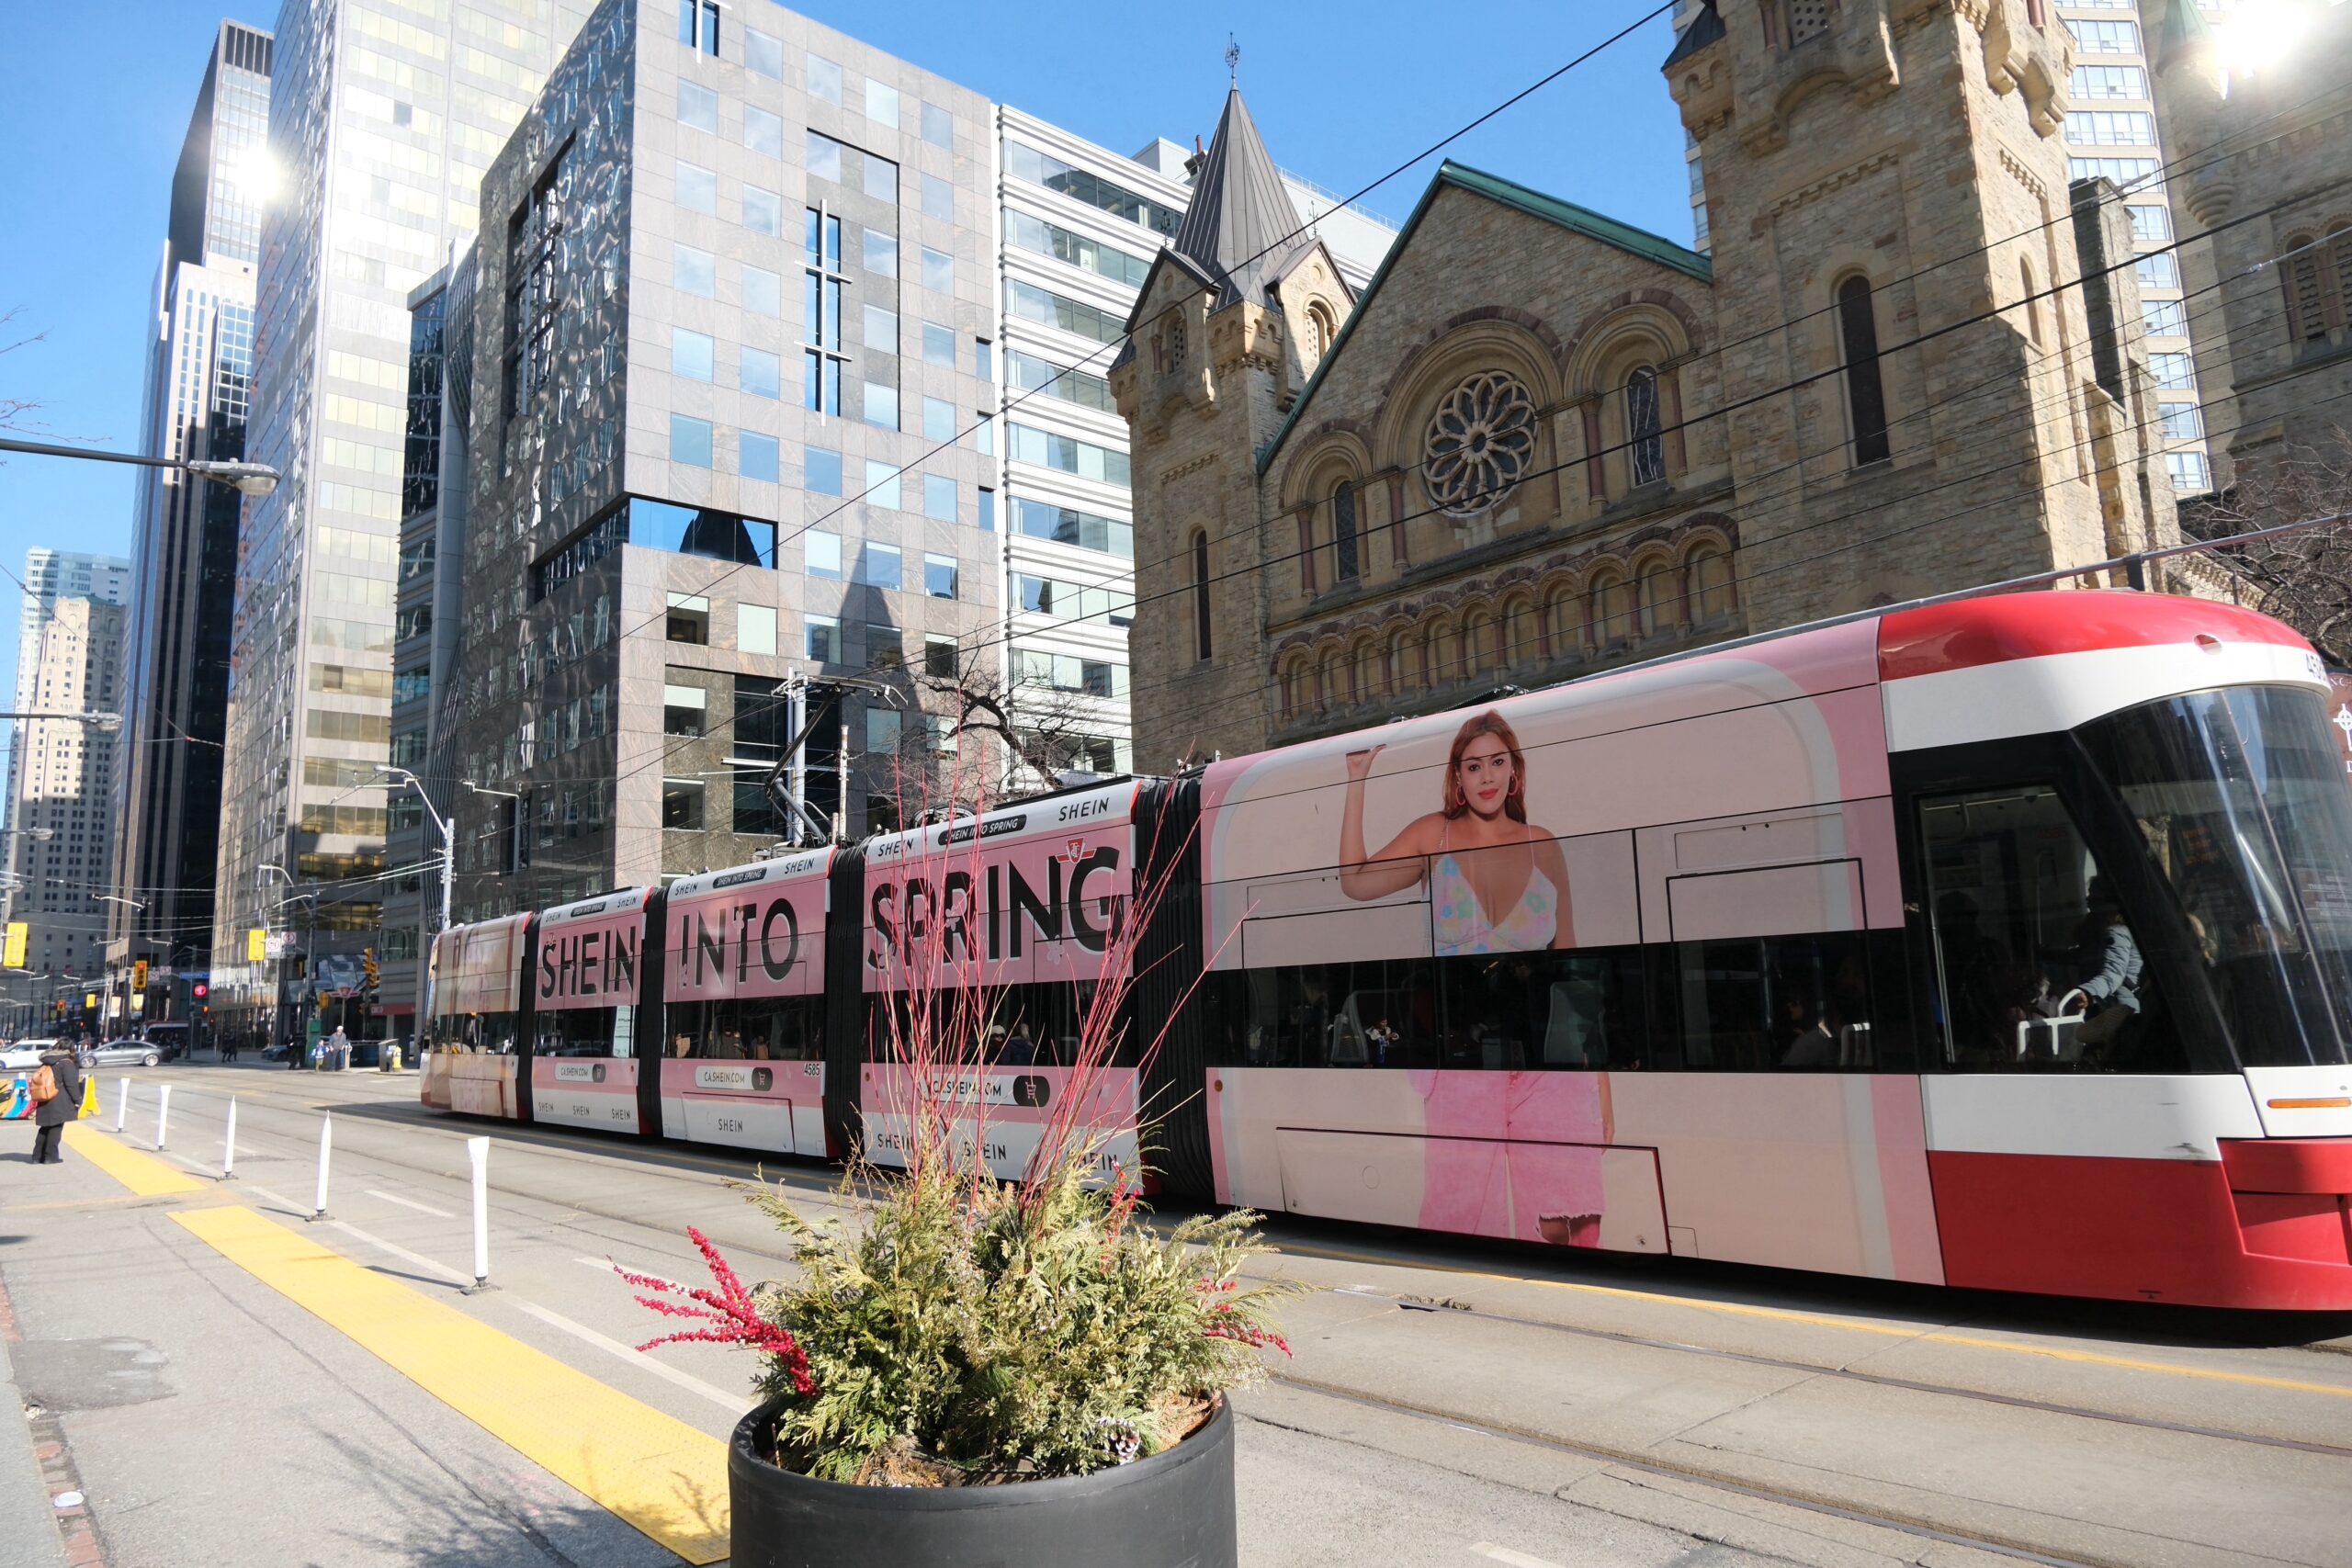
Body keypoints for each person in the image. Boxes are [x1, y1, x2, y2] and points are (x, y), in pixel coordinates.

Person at [1339, 711, 1576, 954]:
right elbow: (1355, 883)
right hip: (1450, 992)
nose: (1487, 777)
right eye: (1474, 767)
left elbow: (1568, 954)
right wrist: (1357, 778)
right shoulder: (1434, 835)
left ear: (1513, 768)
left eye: (1497, 762)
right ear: (1458, 776)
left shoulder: (1542, 845)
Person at [29, 1039, 84, 1165]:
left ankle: (37, 1157)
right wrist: (78, 1100)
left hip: (45, 1096)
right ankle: (50, 1156)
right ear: (71, 1049)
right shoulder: (66, 1063)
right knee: (56, 1128)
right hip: (59, 1098)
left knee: (45, 1127)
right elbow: (71, 1085)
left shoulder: (47, 1061)